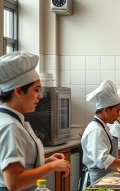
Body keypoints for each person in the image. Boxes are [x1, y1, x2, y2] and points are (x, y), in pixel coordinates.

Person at [0, 51, 70, 190]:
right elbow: (14, 182)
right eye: (36, 90)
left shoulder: (15, 120)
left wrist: (44, 162)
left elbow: (20, 166)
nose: (40, 97)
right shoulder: (10, 126)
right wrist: (51, 166)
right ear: (19, 91)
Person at [80, 80, 120, 188]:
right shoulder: (96, 130)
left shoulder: (103, 127)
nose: (118, 114)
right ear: (106, 110)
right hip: (99, 181)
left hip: (108, 178)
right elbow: (104, 161)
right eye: (117, 111)